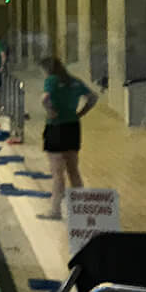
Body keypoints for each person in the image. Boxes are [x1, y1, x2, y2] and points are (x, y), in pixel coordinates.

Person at [40, 56, 98, 220]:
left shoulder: (51, 80)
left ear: (47, 69)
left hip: (56, 127)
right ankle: (80, 211)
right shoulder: (75, 81)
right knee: (74, 171)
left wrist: (50, 111)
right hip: (73, 127)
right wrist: (80, 113)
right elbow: (93, 98)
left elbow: (44, 99)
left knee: (58, 173)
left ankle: (55, 210)